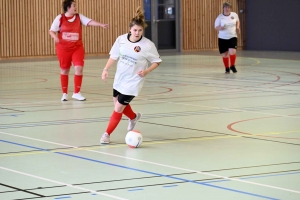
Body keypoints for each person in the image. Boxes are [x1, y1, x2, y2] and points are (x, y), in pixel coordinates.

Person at [100, 7, 162, 144]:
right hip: (120, 78)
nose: (137, 33)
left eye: (140, 30)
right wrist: (105, 69)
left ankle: (106, 135)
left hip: (134, 82)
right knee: (118, 104)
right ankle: (134, 117)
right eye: (135, 30)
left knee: (118, 108)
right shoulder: (121, 40)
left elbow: (157, 61)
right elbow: (114, 56)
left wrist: (146, 71)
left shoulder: (147, 45)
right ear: (130, 29)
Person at [49, 0, 109, 101]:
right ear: (68, 7)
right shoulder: (60, 18)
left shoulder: (79, 17)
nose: (75, 7)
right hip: (63, 49)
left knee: (79, 68)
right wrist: (55, 36)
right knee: (65, 70)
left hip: (77, 48)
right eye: (74, 5)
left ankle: (76, 93)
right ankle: (64, 94)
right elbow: (51, 30)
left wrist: (101, 24)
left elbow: (89, 21)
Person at [214, 2, 240, 74]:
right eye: (225, 7)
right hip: (222, 38)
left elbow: (237, 21)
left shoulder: (234, 15)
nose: (227, 9)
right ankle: (227, 68)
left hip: (232, 36)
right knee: (225, 54)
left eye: (228, 7)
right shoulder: (220, 17)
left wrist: (237, 27)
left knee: (232, 51)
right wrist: (220, 28)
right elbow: (216, 27)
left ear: (230, 8)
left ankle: (232, 65)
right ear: (223, 8)